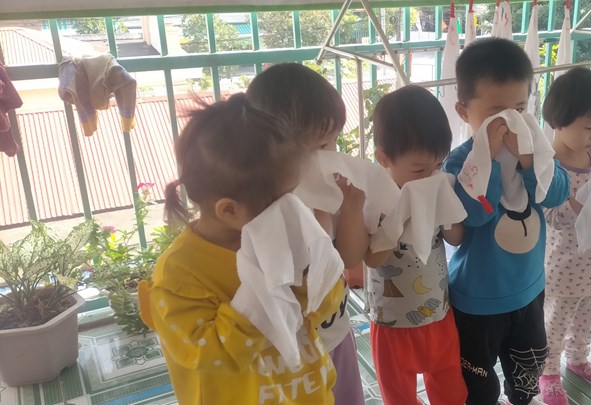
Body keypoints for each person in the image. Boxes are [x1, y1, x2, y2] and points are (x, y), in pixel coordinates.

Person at [137, 94, 344, 404]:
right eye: (282, 199)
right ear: (230, 210)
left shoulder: (285, 235)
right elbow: (207, 353)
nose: (293, 207)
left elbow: (324, 305)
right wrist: (266, 292)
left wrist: (308, 283)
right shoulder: (178, 274)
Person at [443, 37, 571, 405]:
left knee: (527, 369)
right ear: (464, 111)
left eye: (519, 108)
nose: (511, 121)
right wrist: (490, 161)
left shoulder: (535, 149)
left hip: (528, 288)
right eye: (497, 111)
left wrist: (528, 160)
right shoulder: (460, 162)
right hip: (477, 298)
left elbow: (556, 193)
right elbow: (474, 216)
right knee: (478, 383)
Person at [246, 63, 367, 405]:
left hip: (336, 335)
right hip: (289, 359)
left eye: (334, 140)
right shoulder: (260, 209)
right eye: (321, 145)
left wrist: (351, 208)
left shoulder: (328, 193)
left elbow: (349, 258)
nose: (332, 154)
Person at [364, 85, 467, 405]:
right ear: (384, 159)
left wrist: (444, 204)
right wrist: (402, 217)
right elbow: (372, 259)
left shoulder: (437, 185)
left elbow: (455, 239)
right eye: (420, 169)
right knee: (399, 395)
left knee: (450, 389)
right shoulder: (375, 200)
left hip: (437, 311)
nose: (430, 174)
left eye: (438, 165)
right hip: (391, 320)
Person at [537, 67, 591, 404]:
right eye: (588, 127)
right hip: (564, 265)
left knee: (588, 316)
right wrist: (586, 206)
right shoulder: (548, 165)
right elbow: (552, 216)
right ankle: (548, 372)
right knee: (555, 322)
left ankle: (579, 358)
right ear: (558, 120)